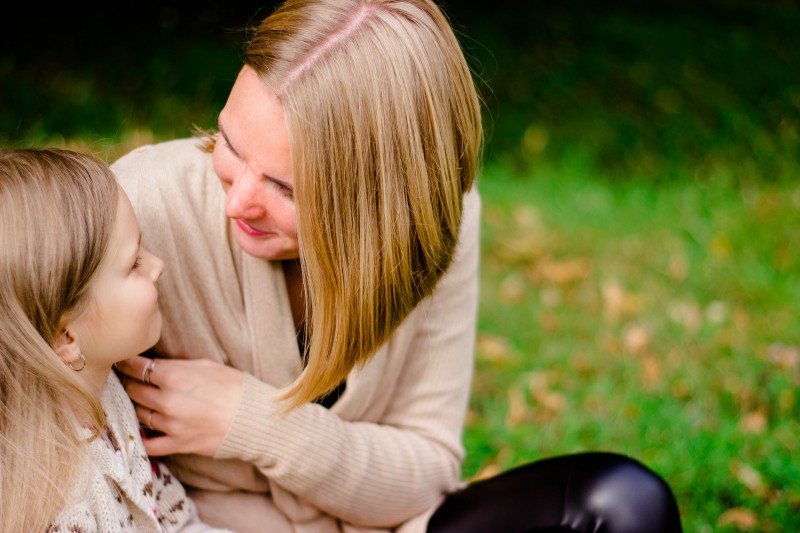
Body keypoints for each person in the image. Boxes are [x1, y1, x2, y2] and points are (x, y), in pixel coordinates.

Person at [110, 0, 684, 531]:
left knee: (624, 502)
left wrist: (255, 422)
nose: (238, 202)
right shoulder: (136, 211)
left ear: (386, 203)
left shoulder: (436, 223)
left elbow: (425, 471)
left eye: (287, 187)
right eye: (231, 145)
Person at [0, 148, 234, 532]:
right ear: (65, 336)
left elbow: (174, 519)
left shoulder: (106, 395)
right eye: (134, 264)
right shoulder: (58, 503)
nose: (157, 267)